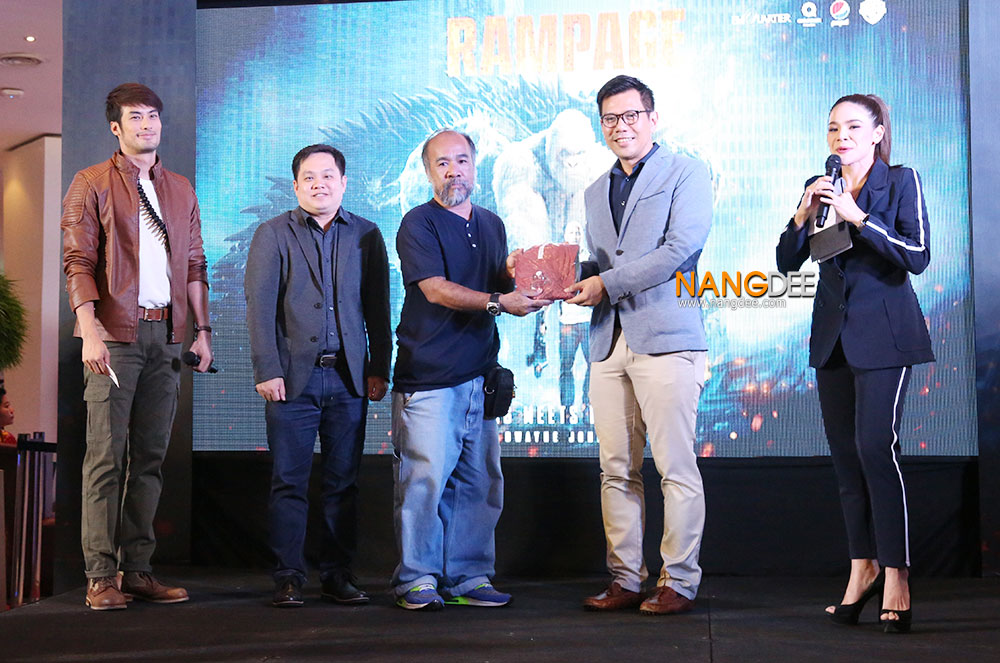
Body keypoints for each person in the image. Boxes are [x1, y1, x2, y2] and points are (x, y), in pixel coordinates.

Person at [776, 94, 932, 634]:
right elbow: (786, 263)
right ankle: (861, 566)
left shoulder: (901, 181)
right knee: (846, 461)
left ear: (877, 132)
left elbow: (917, 256)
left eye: (853, 127)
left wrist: (859, 218)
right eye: (833, 128)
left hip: (885, 336)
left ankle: (896, 573)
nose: (841, 137)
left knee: (875, 449)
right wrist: (803, 214)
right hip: (832, 339)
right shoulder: (820, 186)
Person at [61, 83, 212, 611]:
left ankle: (137, 570)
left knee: (149, 459)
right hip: (113, 337)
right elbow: (77, 261)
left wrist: (202, 331)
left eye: (153, 116)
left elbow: (194, 264)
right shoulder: (91, 182)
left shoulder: (180, 188)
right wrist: (89, 329)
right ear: (115, 127)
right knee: (105, 458)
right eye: (135, 117)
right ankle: (100, 577)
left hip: (166, 337)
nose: (147, 125)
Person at [566, 75, 713, 615]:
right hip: (608, 341)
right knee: (616, 469)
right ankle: (626, 578)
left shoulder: (687, 172)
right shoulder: (593, 190)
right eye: (610, 118)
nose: (621, 126)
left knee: (675, 468)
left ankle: (680, 581)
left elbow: (680, 249)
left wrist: (605, 283)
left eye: (631, 116)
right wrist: (551, 273)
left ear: (653, 119)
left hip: (668, 338)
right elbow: (603, 264)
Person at [391, 129, 550, 610]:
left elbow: (492, 277)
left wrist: (518, 271)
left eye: (461, 161)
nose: (453, 171)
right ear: (428, 172)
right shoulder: (417, 223)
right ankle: (416, 578)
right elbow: (436, 289)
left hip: (481, 376)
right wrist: (501, 300)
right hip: (429, 377)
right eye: (442, 163)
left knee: (478, 484)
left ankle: (467, 577)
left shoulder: (492, 223)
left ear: (475, 167)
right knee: (424, 482)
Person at [245, 144, 391, 608]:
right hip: (292, 380)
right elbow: (260, 308)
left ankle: (337, 575)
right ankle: (289, 576)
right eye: (309, 177)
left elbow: (378, 307)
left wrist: (379, 368)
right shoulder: (273, 233)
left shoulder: (367, 234)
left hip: (349, 379)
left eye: (328, 176)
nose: (319, 184)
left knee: (343, 483)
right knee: (289, 481)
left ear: (344, 183)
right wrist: (268, 369)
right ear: (296, 186)